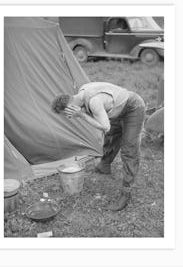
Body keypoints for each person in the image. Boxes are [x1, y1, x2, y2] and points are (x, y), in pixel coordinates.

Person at [51, 82, 146, 211]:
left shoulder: (93, 102)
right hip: (118, 108)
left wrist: (81, 115)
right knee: (112, 136)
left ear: (70, 106)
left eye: (67, 114)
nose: (69, 117)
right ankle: (104, 165)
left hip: (133, 107)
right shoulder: (81, 92)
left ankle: (126, 193)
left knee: (129, 149)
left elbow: (105, 127)